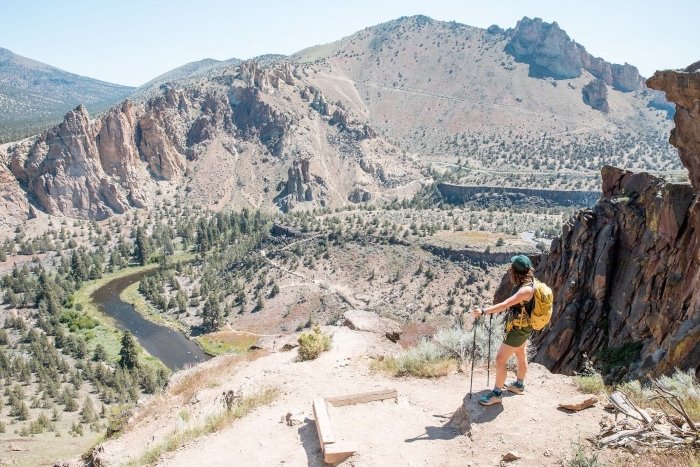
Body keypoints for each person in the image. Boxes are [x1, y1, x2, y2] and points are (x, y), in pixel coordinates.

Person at [471, 255, 535, 406]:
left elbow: (506, 304)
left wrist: (483, 311)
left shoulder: (525, 290)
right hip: (522, 326)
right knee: (520, 353)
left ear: (516, 271)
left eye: (511, 267)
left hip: (518, 329)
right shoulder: (527, 283)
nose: (509, 269)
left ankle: (497, 394)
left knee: (500, 359)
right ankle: (519, 385)